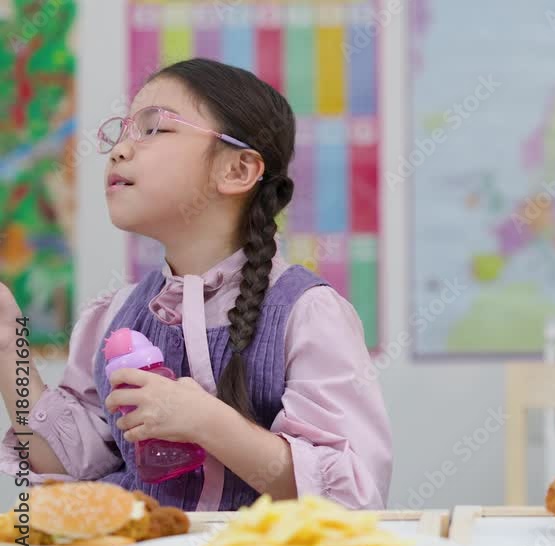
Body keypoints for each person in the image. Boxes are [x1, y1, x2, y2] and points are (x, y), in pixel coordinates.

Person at [0, 58, 392, 510]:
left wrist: (205, 421)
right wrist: (9, 344)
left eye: (153, 128)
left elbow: (353, 499)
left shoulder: (308, 313)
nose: (119, 150)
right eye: (122, 132)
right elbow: (68, 466)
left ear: (237, 170)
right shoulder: (112, 314)